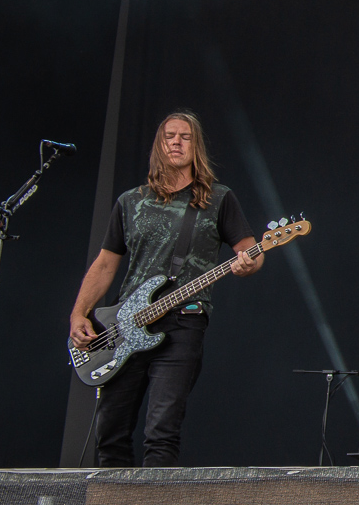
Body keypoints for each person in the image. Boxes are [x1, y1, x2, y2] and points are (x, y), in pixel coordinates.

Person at [69, 111, 263, 467]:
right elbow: (105, 263)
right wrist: (79, 313)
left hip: (183, 323)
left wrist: (248, 263)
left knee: (161, 431)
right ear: (159, 145)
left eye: (185, 137)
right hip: (125, 325)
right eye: (169, 136)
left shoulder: (218, 198)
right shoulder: (131, 201)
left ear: (196, 146)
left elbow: (249, 252)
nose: (177, 141)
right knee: (110, 434)